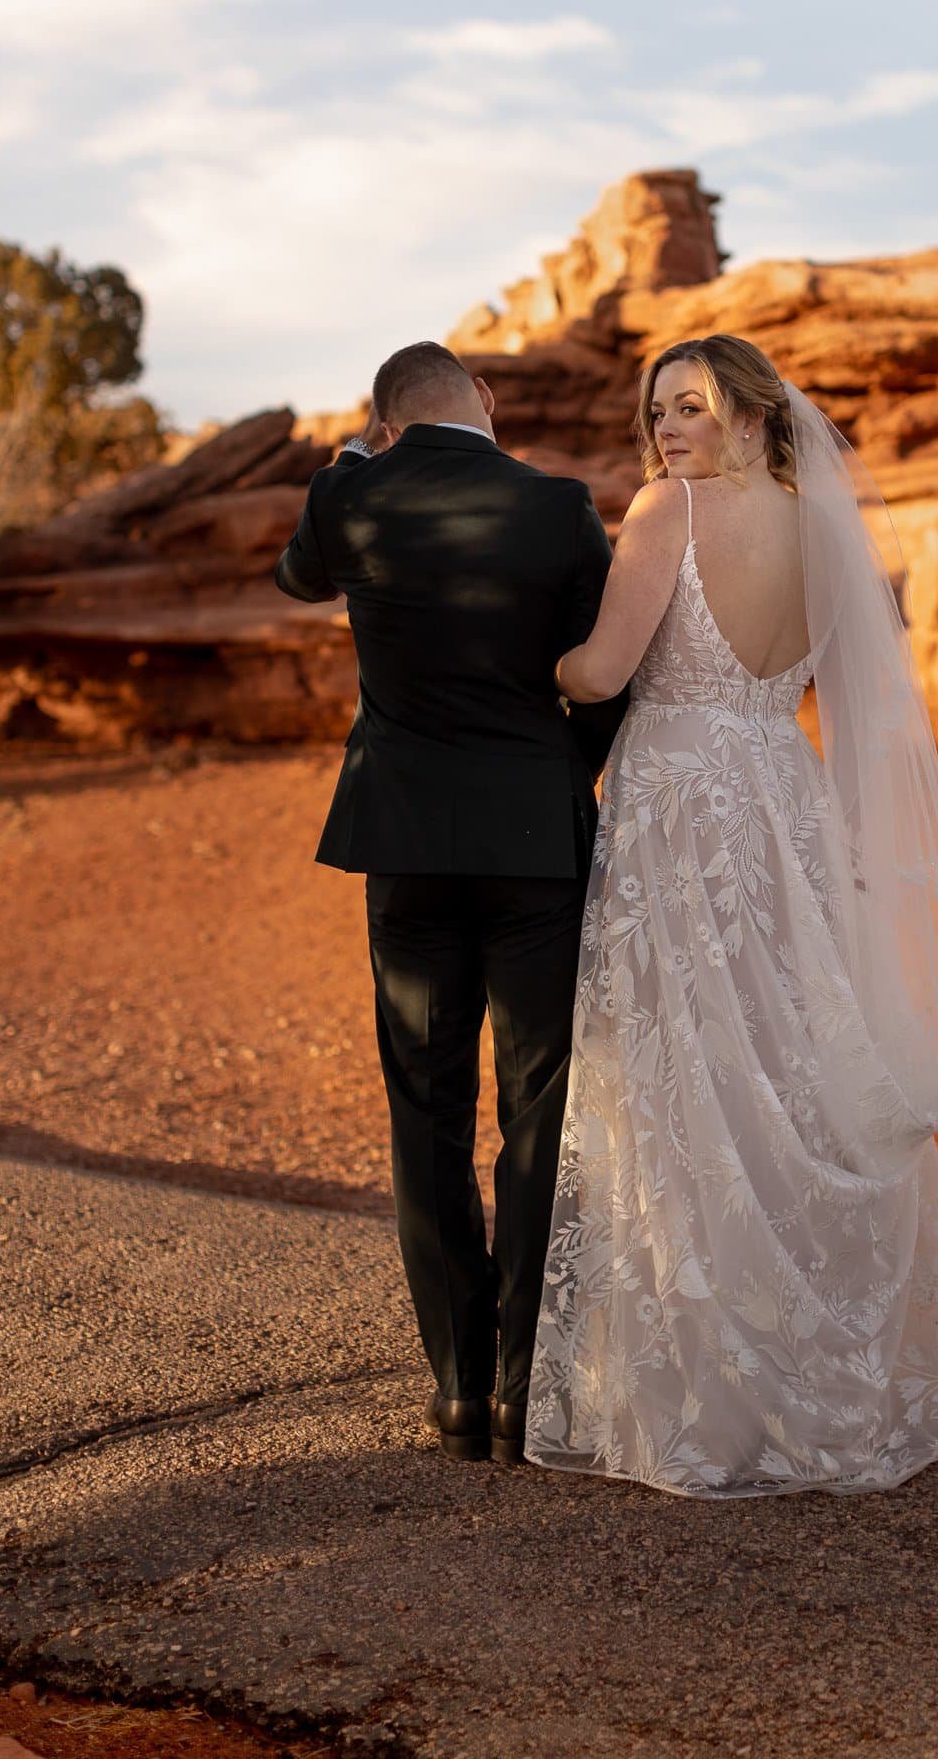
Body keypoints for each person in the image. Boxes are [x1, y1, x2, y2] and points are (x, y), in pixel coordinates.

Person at [525, 334, 938, 1497]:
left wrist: (523, 668)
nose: (668, 431)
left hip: (680, 804)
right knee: (791, 1063)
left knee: (687, 1074)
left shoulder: (666, 511)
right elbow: (854, 701)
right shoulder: (819, 524)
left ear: (753, 415)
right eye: (658, 412)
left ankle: (720, 1391)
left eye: (690, 408)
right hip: (780, 797)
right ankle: (823, 1356)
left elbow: (600, 671)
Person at [274, 341, 627, 1466]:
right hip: (534, 841)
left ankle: (458, 1391)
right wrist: (563, 773)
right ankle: (529, 1393)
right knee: (538, 1109)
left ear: (385, 417)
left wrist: (347, 460)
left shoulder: (351, 494)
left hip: (408, 842)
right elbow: (610, 672)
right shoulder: (558, 505)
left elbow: (297, 575)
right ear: (487, 399)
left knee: (425, 1110)